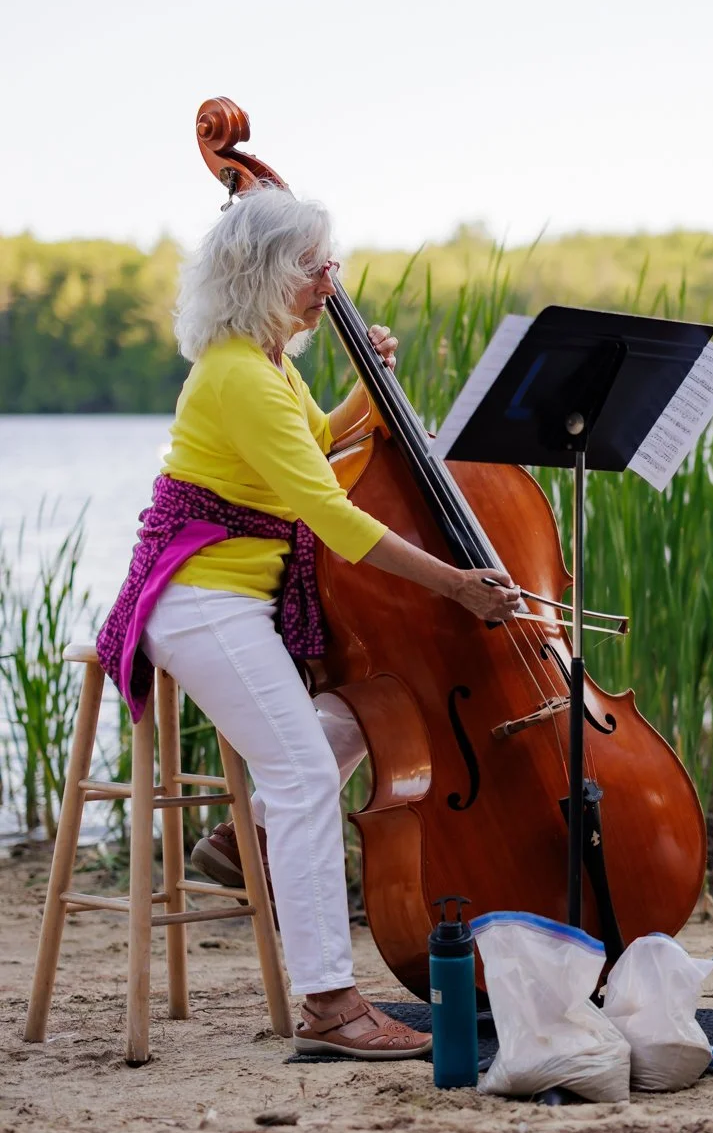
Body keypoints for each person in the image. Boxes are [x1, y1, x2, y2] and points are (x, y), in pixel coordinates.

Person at [97, 185, 523, 1059]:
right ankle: (330, 1004)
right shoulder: (236, 376)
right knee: (302, 772)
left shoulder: (267, 366)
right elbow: (332, 516)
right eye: (313, 266)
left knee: (367, 709)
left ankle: (243, 832)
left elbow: (314, 445)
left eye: (330, 262)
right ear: (263, 273)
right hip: (199, 601)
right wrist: (456, 584)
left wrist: (371, 395)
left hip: (235, 599)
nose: (331, 281)